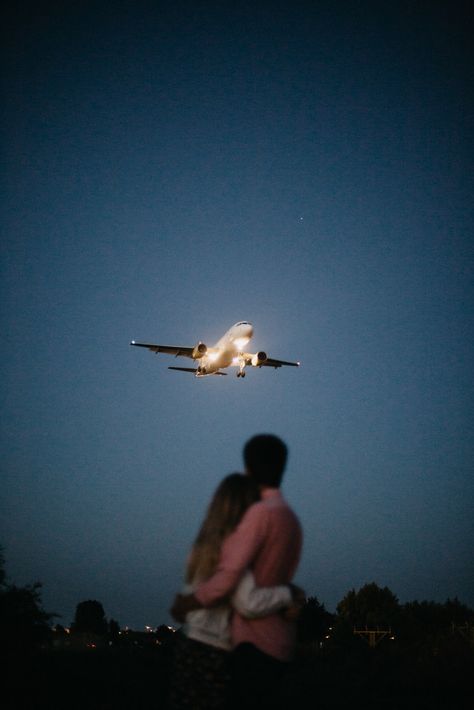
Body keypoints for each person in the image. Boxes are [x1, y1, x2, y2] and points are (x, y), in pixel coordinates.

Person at [171, 434, 303, 710]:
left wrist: (190, 602)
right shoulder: (287, 520)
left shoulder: (203, 548)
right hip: (215, 651)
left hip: (192, 644)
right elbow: (246, 599)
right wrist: (287, 594)